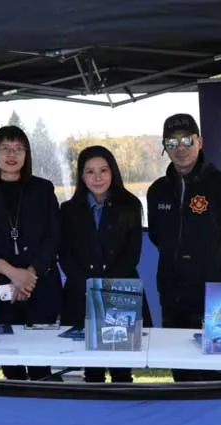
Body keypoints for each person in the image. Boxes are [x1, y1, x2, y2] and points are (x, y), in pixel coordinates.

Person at [146, 113, 221, 382]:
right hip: (173, 295)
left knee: (216, 371)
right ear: (165, 147)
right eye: (172, 142)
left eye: (187, 140)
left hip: (216, 297)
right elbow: (157, 236)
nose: (180, 148)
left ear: (200, 142)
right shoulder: (157, 191)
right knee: (181, 371)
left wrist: (212, 267)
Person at [0, 125, 62, 381]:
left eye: (19, 148)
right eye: (5, 148)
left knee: (40, 362)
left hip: (39, 284)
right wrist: (12, 274)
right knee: (10, 362)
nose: (12, 154)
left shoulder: (43, 189)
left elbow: (54, 237)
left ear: (27, 154)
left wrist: (29, 275)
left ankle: (44, 401)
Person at [59, 145, 152, 383]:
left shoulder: (130, 205)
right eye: (90, 171)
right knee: (92, 369)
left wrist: (106, 291)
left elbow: (132, 254)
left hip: (120, 294)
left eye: (103, 170)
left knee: (122, 368)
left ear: (113, 172)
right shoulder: (68, 210)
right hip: (81, 294)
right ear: (81, 176)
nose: (97, 177)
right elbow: (65, 255)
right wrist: (90, 289)